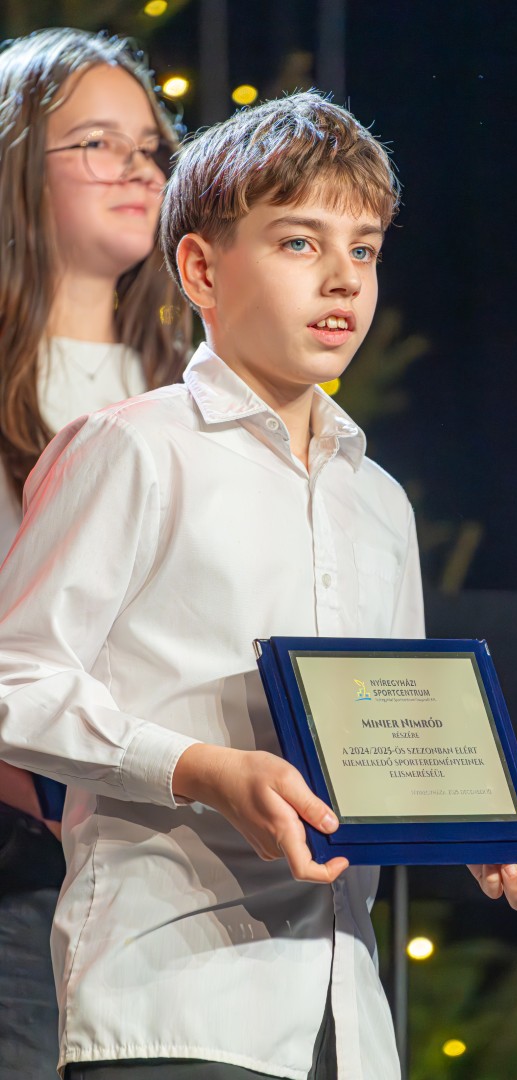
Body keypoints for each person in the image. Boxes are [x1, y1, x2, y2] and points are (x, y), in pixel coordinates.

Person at [0, 91, 517, 1079]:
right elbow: (15, 681)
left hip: (346, 1023)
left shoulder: (378, 500)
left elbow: (385, 734)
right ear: (201, 269)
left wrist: (472, 808)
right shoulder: (135, 449)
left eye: (365, 249)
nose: (343, 278)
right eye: (300, 243)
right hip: (175, 1002)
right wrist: (203, 769)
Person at [0, 27, 189, 1077]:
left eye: (151, 146)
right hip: (22, 865)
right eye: (97, 143)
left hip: (165, 871)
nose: (138, 168)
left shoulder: (190, 388)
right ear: (16, 167)